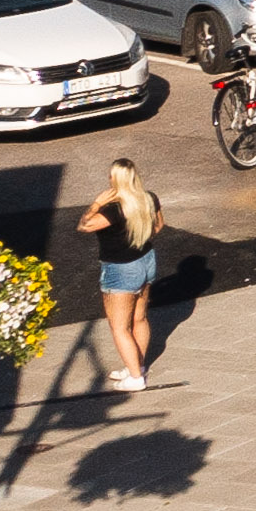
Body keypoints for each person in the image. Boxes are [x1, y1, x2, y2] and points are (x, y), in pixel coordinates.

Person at [80, 157, 166, 393]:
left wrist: (95, 204)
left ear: (115, 180)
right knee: (139, 318)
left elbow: (85, 226)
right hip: (146, 260)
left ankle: (136, 378)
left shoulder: (113, 209)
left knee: (119, 327)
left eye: (110, 176)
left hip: (120, 269)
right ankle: (136, 365)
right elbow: (159, 225)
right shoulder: (148, 198)